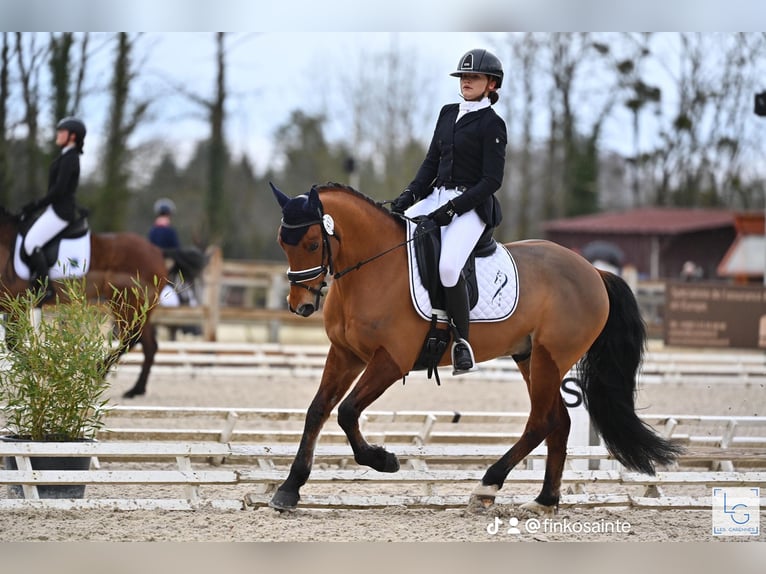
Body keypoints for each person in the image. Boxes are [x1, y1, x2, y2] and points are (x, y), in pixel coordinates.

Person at [390, 48, 507, 374]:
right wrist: (408, 196)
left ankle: (461, 342)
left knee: (448, 267)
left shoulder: (492, 124)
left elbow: (491, 181)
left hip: (470, 206)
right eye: (463, 76)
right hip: (435, 197)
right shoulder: (446, 113)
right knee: (394, 239)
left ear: (491, 85)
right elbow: (430, 164)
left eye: (474, 77)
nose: (466, 81)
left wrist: (454, 208)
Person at [23, 116, 87, 301]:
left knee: (31, 242)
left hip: (60, 212)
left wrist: (36, 205)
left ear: (72, 136)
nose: (58, 135)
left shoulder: (71, 158)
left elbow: (59, 190)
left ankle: (46, 288)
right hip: (54, 209)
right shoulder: (66, 156)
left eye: (62, 132)